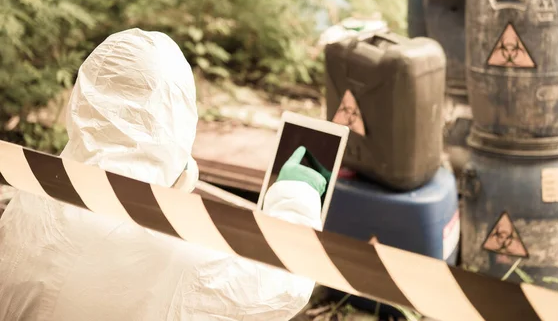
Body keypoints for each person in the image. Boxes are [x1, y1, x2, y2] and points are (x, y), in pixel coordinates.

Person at [0, 28, 328, 320]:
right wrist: (296, 194)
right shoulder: (164, 236)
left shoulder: (33, 190)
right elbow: (280, 287)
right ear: (178, 116)